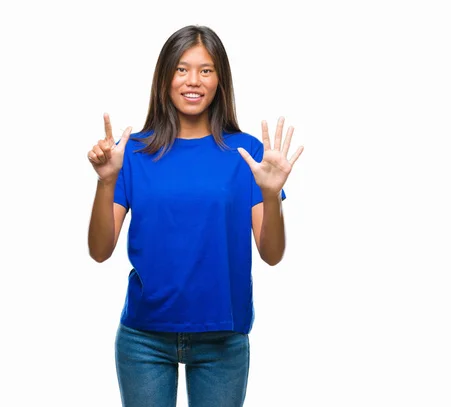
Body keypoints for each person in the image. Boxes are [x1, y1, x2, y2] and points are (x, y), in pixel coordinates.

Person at [86, 25, 303, 407]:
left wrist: (272, 195)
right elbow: (100, 250)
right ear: (165, 77)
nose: (193, 81)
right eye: (182, 69)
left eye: (206, 70)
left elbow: (271, 254)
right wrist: (106, 182)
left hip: (222, 338)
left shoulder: (247, 153)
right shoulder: (132, 154)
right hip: (144, 339)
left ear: (220, 80)